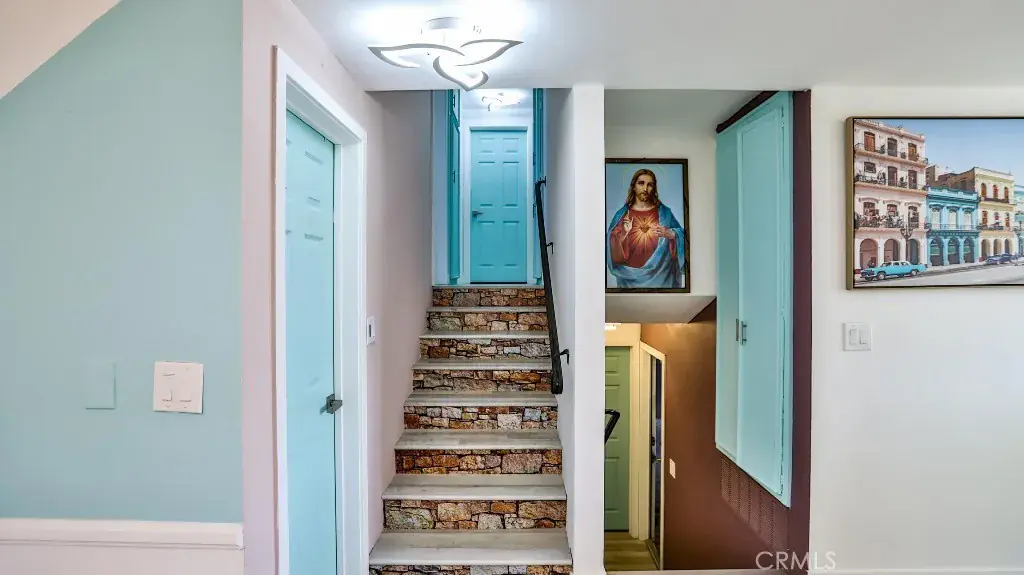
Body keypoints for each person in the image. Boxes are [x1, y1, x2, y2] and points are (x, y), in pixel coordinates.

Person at [607, 168, 685, 288]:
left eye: (650, 185)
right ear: (634, 186)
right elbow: (612, 252)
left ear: (654, 188)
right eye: (641, 183)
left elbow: (684, 237)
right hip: (629, 280)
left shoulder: (665, 213)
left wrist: (672, 234)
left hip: (662, 278)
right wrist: (623, 235)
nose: (645, 188)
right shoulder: (622, 215)